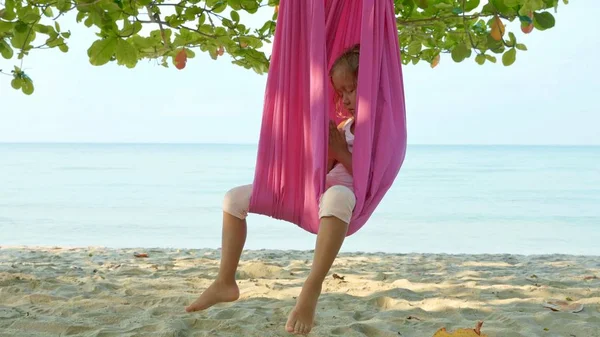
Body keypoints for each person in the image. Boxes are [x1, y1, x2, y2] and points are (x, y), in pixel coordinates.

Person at [185, 44, 361, 336]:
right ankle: (225, 281)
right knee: (233, 200)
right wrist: (325, 146)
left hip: (344, 200)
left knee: (337, 197)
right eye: (341, 93)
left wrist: (340, 151)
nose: (346, 99)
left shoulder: (381, 127)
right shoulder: (344, 126)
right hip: (311, 195)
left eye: (351, 89)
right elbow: (327, 169)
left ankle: (311, 287)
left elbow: (369, 178)